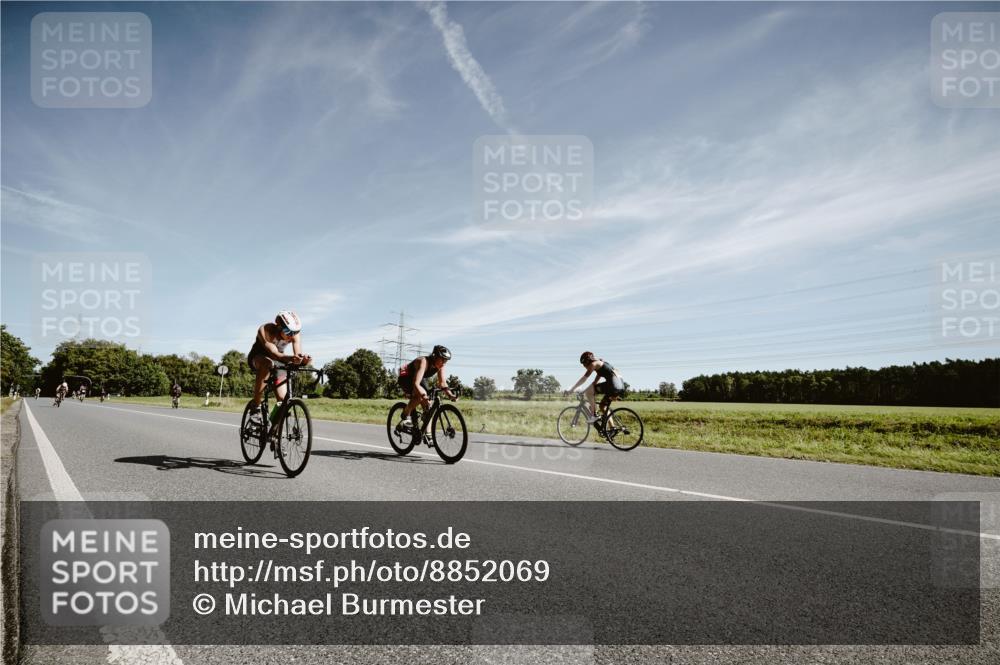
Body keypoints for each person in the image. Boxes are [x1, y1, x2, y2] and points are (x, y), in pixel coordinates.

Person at [246, 311, 311, 437]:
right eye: (288, 332)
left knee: (283, 401)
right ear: (278, 326)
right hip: (259, 357)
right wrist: (291, 358)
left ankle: (272, 432)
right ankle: (255, 408)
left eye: (295, 332)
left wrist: (303, 361)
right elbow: (274, 354)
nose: (291, 336)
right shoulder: (266, 330)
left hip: (278, 361)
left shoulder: (294, 335)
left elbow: (296, 356)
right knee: (267, 363)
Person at [397, 345, 456, 430]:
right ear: (435, 356)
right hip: (405, 378)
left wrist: (450, 395)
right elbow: (416, 384)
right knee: (420, 397)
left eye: (446, 360)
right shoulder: (423, 361)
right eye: (442, 359)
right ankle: (405, 416)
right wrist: (423, 396)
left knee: (429, 408)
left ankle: (428, 435)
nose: (444, 363)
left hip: (419, 378)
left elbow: (442, 383)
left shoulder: (441, 366)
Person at [567, 351, 626, 423]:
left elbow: (584, 378)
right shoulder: (600, 363)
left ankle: (594, 415)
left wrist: (572, 389)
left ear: (588, 361)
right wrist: (585, 389)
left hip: (613, 385)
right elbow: (595, 381)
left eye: (584, 364)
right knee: (602, 406)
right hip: (620, 385)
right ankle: (612, 429)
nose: (584, 366)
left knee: (589, 393)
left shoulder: (593, 364)